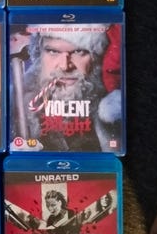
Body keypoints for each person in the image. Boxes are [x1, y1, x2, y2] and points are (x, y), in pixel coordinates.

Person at [12, 24, 122, 152]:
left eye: (78, 52)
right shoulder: (14, 106)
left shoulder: (114, 111)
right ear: (39, 56)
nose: (65, 66)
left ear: (95, 58)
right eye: (53, 51)